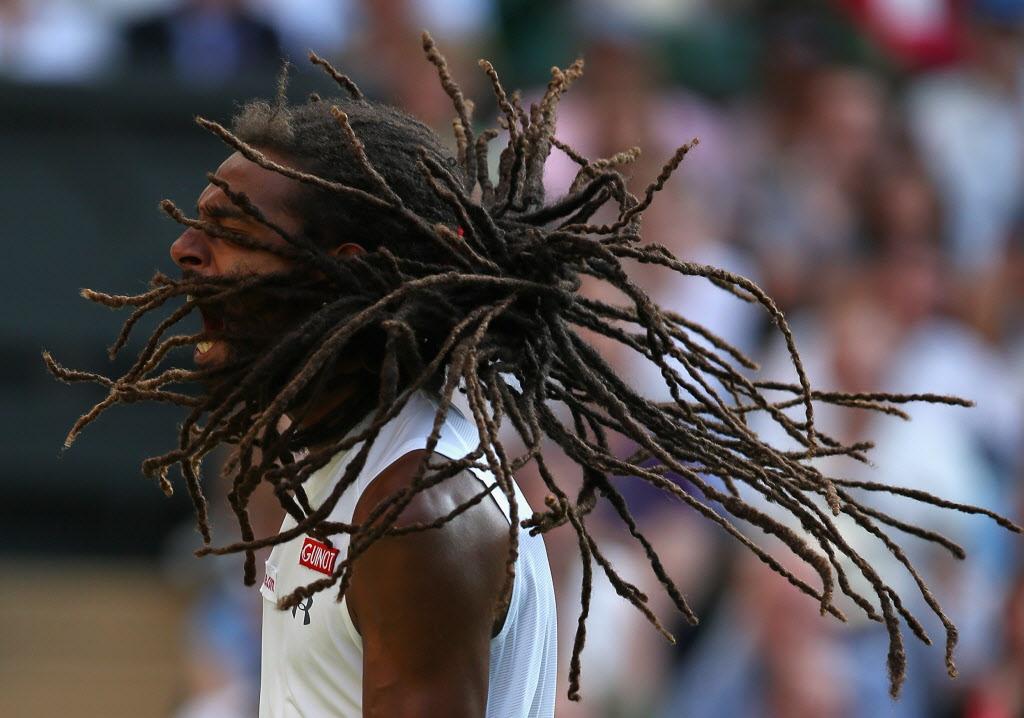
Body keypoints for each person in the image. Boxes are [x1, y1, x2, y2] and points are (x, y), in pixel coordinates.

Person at [45, 34, 1021, 713]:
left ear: (340, 272)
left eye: (229, 230)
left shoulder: (419, 506)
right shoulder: (320, 456)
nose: (184, 253)